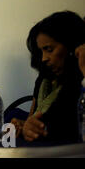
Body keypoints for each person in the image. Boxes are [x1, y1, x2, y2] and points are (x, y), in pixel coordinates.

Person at [12, 11, 85, 142]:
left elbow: (64, 126)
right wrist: (25, 126)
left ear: (72, 46)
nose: (44, 58)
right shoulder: (44, 80)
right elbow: (35, 120)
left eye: (49, 49)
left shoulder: (78, 81)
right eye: (41, 51)